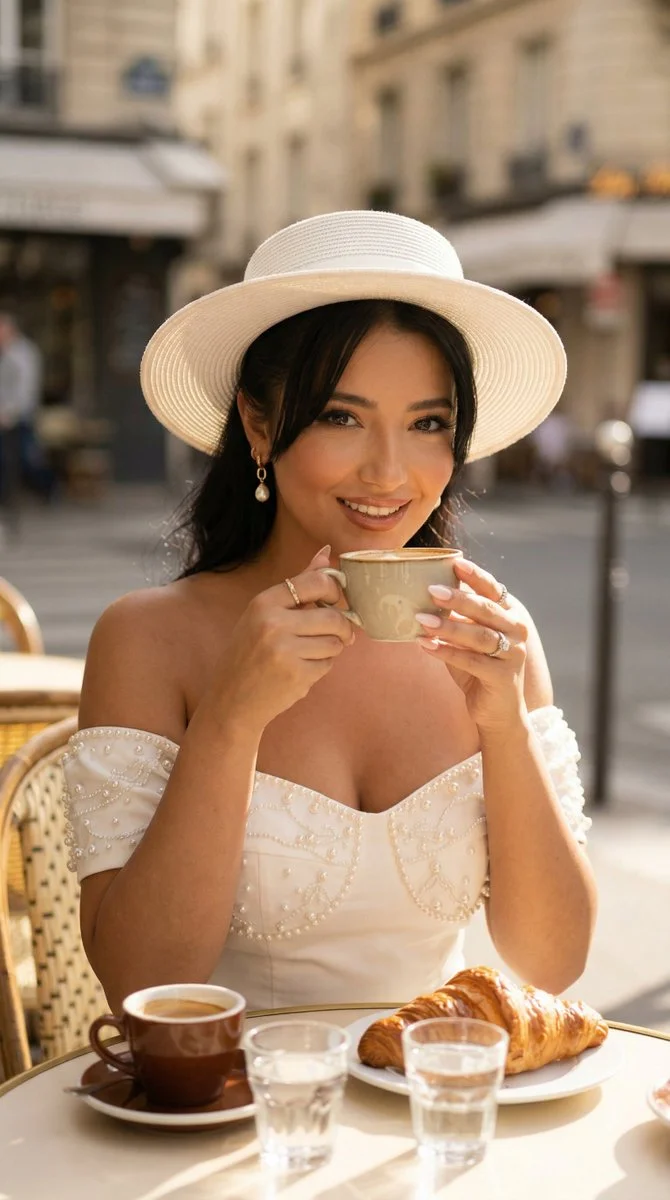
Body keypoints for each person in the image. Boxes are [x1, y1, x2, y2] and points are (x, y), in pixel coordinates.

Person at [63, 211, 597, 1014]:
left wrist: (505, 730)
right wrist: (230, 719)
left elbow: (552, 964)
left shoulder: (493, 632)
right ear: (258, 423)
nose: (389, 472)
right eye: (342, 418)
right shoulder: (149, 639)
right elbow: (141, 982)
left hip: (432, 1110)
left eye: (428, 424)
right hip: (227, 1116)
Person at [0, 312, 53, 528]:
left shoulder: (24, 352)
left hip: (19, 417)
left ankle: (48, 490)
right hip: (4, 417)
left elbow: (26, 388)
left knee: (29, 458)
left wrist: (11, 411)